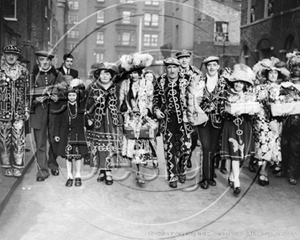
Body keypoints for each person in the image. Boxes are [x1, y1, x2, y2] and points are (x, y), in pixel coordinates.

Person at [153, 57, 193, 188]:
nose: (172, 70)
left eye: (174, 67)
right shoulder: (161, 81)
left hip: (184, 121)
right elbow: (156, 99)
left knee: (186, 148)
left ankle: (182, 169)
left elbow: (194, 98)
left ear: (178, 68)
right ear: (166, 69)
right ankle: (172, 176)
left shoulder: (186, 80)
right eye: (169, 67)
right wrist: (157, 110)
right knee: (169, 149)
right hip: (168, 120)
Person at [120, 53, 158, 184]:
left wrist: (147, 109)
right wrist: (126, 110)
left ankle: (140, 174)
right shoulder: (125, 84)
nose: (133, 75)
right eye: (131, 72)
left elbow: (151, 100)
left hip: (143, 118)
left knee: (143, 145)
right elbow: (121, 101)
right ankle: (136, 169)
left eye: (136, 72)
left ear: (141, 72)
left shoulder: (147, 83)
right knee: (133, 146)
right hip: (130, 119)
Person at [253, 57, 290, 186]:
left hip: (275, 121)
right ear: (266, 74)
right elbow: (254, 103)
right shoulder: (259, 88)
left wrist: (283, 112)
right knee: (263, 145)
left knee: (273, 147)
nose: (273, 75)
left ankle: (264, 171)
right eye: (271, 73)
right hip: (262, 120)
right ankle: (262, 171)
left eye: (275, 73)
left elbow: (285, 104)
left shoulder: (282, 89)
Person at [30, 50, 66, 181]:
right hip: (38, 113)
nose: (44, 62)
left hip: (54, 113)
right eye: (41, 60)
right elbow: (26, 95)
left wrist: (59, 97)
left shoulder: (58, 75)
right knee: (40, 144)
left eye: (47, 60)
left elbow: (67, 93)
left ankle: (52, 164)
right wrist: (34, 101)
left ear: (51, 61)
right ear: (37, 61)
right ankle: (42, 171)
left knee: (54, 141)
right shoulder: (32, 75)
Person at [220, 64, 256, 196]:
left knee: (242, 156)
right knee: (235, 154)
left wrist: (250, 111)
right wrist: (230, 113)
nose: (238, 85)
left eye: (241, 82)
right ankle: (237, 182)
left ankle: (231, 175)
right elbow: (221, 112)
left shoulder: (249, 96)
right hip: (231, 126)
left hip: (245, 126)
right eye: (236, 82)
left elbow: (253, 113)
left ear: (245, 84)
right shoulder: (226, 94)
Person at [85, 62, 123, 185]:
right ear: (99, 75)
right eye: (102, 73)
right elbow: (87, 104)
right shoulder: (92, 87)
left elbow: (121, 104)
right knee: (99, 144)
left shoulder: (117, 88)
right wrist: (90, 117)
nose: (105, 76)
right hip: (97, 120)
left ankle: (107, 170)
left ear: (111, 76)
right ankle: (103, 169)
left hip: (112, 120)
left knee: (109, 144)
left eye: (108, 73)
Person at [195, 56, 227, 189]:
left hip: (218, 120)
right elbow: (195, 100)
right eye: (209, 65)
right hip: (203, 120)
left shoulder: (224, 81)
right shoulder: (200, 81)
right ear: (206, 67)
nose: (212, 68)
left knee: (213, 149)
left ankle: (211, 174)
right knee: (206, 147)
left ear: (218, 67)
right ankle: (204, 178)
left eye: (214, 65)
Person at [0, 45, 30, 177]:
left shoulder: (24, 71)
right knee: (4, 139)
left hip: (19, 111)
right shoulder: (0, 71)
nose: (11, 56)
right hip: (3, 111)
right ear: (4, 56)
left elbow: (27, 92)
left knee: (18, 139)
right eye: (8, 54)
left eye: (13, 54)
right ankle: (7, 166)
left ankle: (17, 166)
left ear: (17, 56)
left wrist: (27, 109)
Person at [54, 79, 88, 187]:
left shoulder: (81, 107)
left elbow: (86, 121)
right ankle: (69, 176)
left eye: (74, 95)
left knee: (78, 155)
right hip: (66, 133)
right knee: (68, 156)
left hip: (78, 133)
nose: (72, 97)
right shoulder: (63, 108)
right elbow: (57, 122)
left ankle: (78, 175)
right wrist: (56, 134)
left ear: (77, 96)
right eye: (70, 95)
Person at [175, 49, 203, 169]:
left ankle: (186, 158)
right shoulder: (173, 72)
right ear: (178, 60)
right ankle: (181, 161)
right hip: (176, 112)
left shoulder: (196, 73)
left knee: (191, 140)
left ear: (189, 58)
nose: (184, 60)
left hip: (191, 111)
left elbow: (201, 92)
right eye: (181, 58)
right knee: (179, 139)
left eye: (186, 57)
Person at [280, 51, 300, 185]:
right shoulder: (284, 85)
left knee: (295, 147)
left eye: (299, 68)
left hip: (299, 120)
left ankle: (292, 173)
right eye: (294, 68)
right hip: (286, 119)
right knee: (284, 144)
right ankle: (284, 168)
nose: (296, 70)